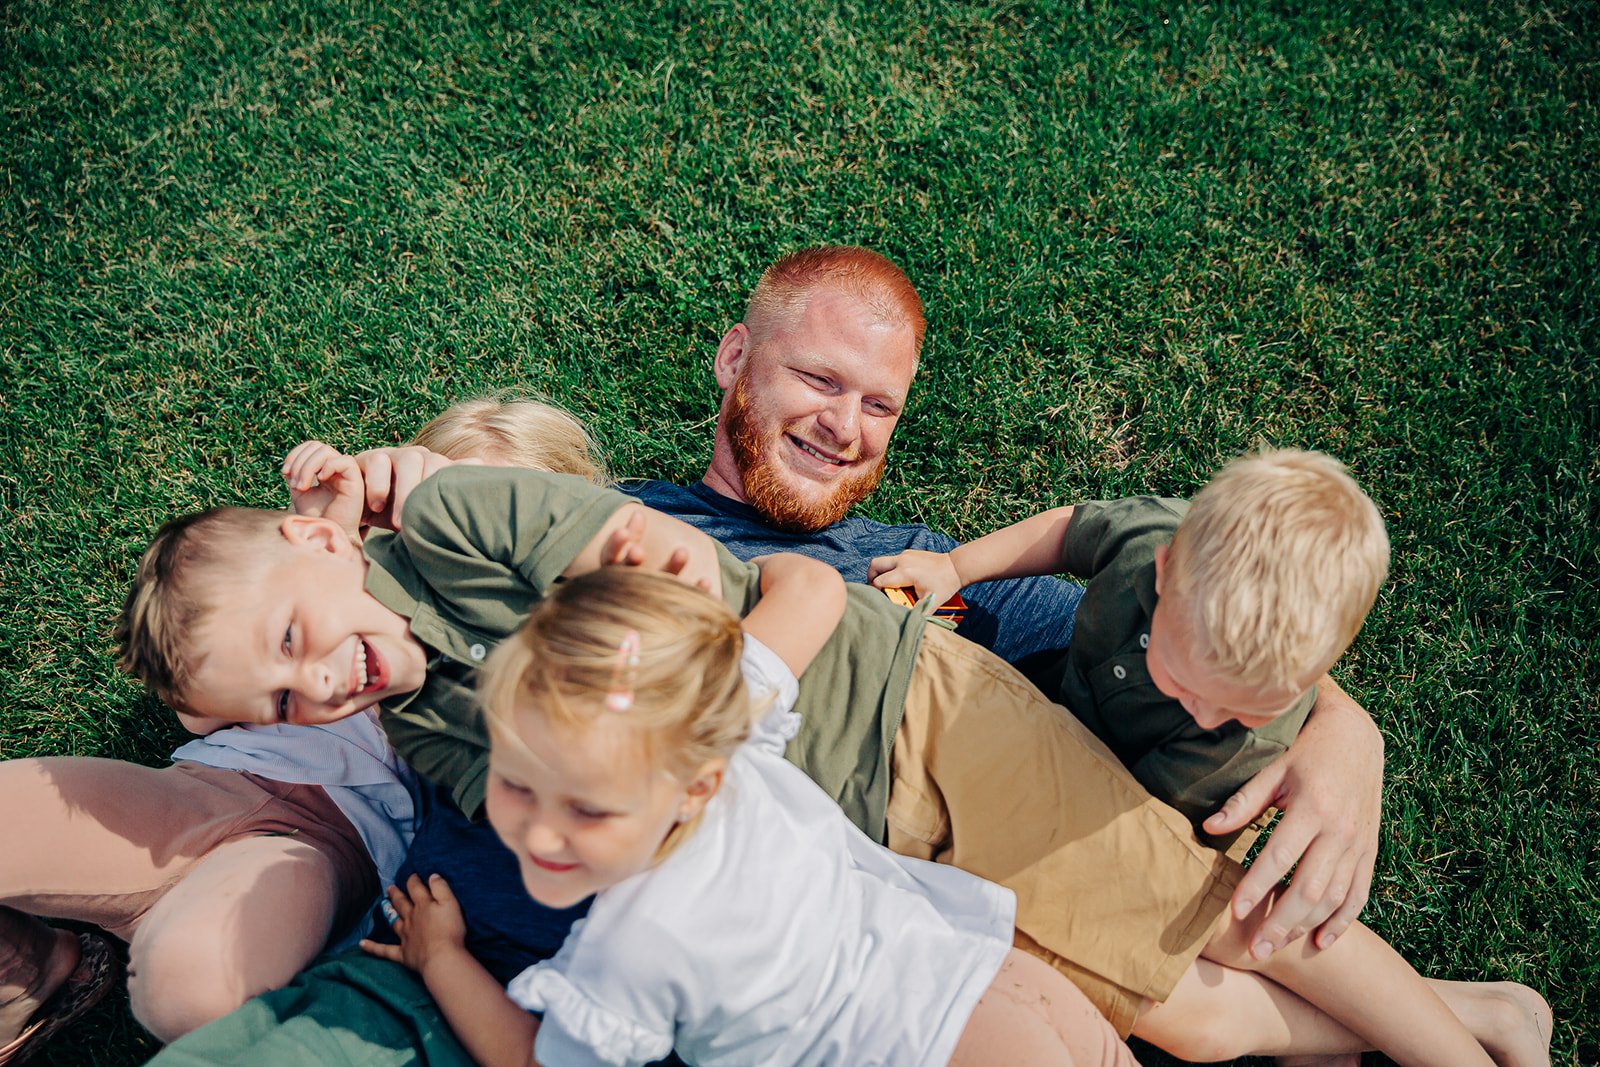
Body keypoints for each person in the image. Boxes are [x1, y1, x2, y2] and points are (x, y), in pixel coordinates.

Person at [132, 456, 1546, 1065]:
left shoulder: (454, 519)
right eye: (278, 690)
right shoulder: (413, 726)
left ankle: (1466, 1052)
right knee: (1177, 1010)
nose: (319, 676)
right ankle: (1473, 1009)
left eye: (299, 631)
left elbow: (681, 602)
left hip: (901, 711)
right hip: (833, 844)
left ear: (324, 538)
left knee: (1195, 907)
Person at [366, 565, 1140, 1067]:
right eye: (517, 783)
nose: (539, 832)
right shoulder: (716, 728)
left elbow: (533, 1060)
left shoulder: (631, 940)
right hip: (989, 980)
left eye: (588, 806)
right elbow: (807, 589)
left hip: (927, 1049)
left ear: (693, 788)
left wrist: (441, 956)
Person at [0, 516, 418, 1052]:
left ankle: (131, 947)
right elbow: (198, 711)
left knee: (190, 983)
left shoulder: (453, 650)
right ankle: (28, 973)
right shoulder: (333, 578)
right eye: (284, 700)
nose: (316, 683)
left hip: (318, 846)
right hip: (200, 791)